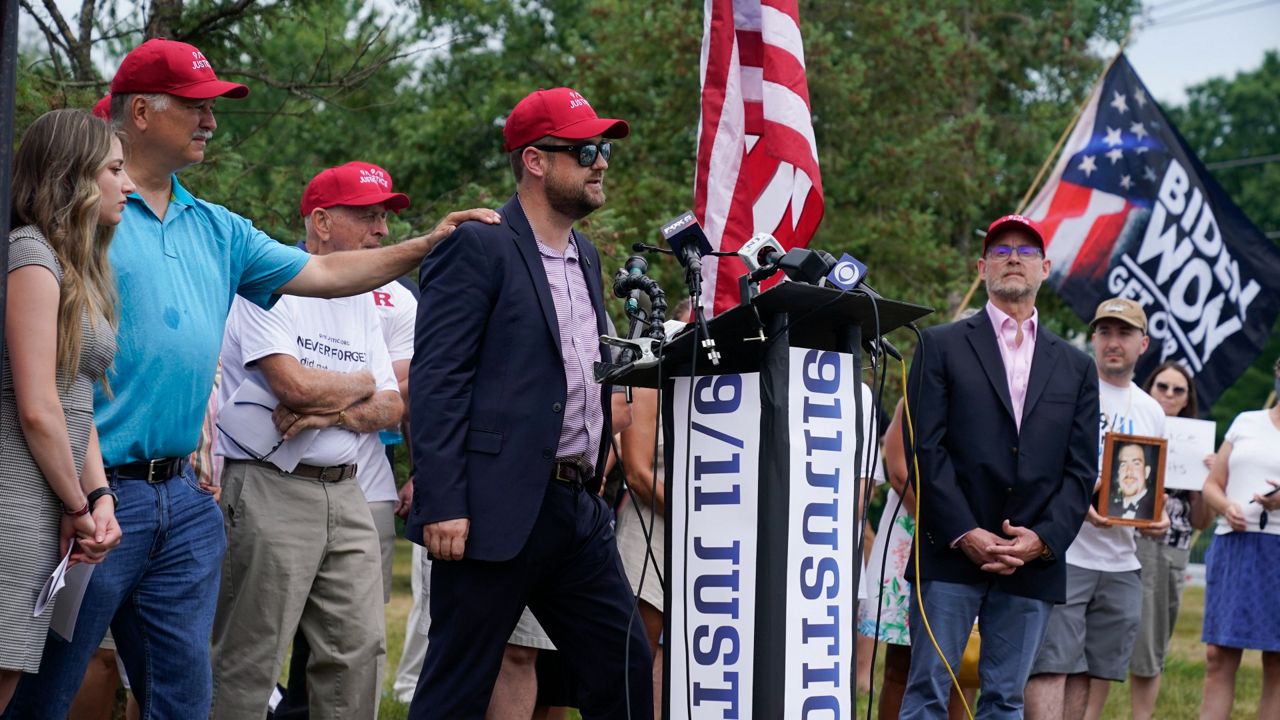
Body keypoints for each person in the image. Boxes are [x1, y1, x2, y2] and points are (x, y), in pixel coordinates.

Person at [5, 38, 498, 719]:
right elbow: (45, 386)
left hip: (182, 498)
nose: (211, 120)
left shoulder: (217, 226)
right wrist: (83, 498)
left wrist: (427, 244)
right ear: (141, 111)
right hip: (91, 499)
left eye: (214, 108)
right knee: (46, 690)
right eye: (197, 106)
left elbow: (324, 274)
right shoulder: (77, 223)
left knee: (187, 701)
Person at [405, 86, 651, 719]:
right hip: (491, 506)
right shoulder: (479, 245)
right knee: (457, 687)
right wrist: (444, 501)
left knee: (623, 668)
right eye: (587, 149)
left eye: (605, 151)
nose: (602, 162)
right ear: (536, 160)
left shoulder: (587, 255)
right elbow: (437, 382)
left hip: (577, 506)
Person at [209, 161, 411, 717]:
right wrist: (360, 384)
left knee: (357, 654)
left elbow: (392, 404)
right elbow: (294, 386)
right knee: (248, 662)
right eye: (368, 216)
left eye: (385, 217)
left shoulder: (366, 298)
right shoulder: (266, 281)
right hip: (268, 487)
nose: (382, 231)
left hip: (347, 491)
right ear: (321, 221)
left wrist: (332, 413)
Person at [900, 214, 1099, 720]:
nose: (1014, 257)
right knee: (927, 692)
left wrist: (1043, 539)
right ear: (982, 266)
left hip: (1031, 559)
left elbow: (1081, 470)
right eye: (1002, 249)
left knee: (1005, 700)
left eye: (1027, 251)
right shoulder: (939, 345)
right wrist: (965, 530)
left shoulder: (1075, 365)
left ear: (1045, 268)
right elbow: (926, 449)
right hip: (950, 551)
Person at [1, 109, 129, 712]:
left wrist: (99, 497)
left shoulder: (71, 264)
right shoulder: (30, 255)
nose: (126, 184)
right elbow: (37, 409)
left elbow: (76, 403)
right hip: (16, 498)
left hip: (50, 496)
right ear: (72, 176)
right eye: (114, 168)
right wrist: (78, 506)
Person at [1025, 297, 1170, 720]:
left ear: (1143, 343)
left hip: (1122, 559)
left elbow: (1150, 485)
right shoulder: (1065, 389)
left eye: (1124, 333)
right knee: (1051, 664)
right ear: (1093, 338)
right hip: (1067, 550)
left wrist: (1154, 518)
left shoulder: (1152, 411)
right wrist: (1076, 501)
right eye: (1104, 332)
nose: (1113, 342)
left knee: (1087, 671)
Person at [1127, 361, 1212, 719]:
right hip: (1119, 540)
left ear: (1187, 399)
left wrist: (1206, 481)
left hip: (1169, 547)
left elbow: (1201, 520)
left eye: (1179, 390)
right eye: (1163, 386)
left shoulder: (1196, 441)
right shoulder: (1127, 421)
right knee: (1102, 637)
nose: (1169, 395)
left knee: (1152, 642)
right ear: (1150, 387)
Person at [1198, 355, 1280, 720]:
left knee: (1278, 661)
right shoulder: (1246, 422)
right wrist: (1226, 505)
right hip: (1234, 543)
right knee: (1219, 655)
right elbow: (1211, 485)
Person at [1106, 442, 1157, 521]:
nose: (1129, 472)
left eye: (1136, 464)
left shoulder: (1154, 509)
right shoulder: (1108, 508)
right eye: (1123, 464)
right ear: (1118, 472)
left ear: (1147, 472)